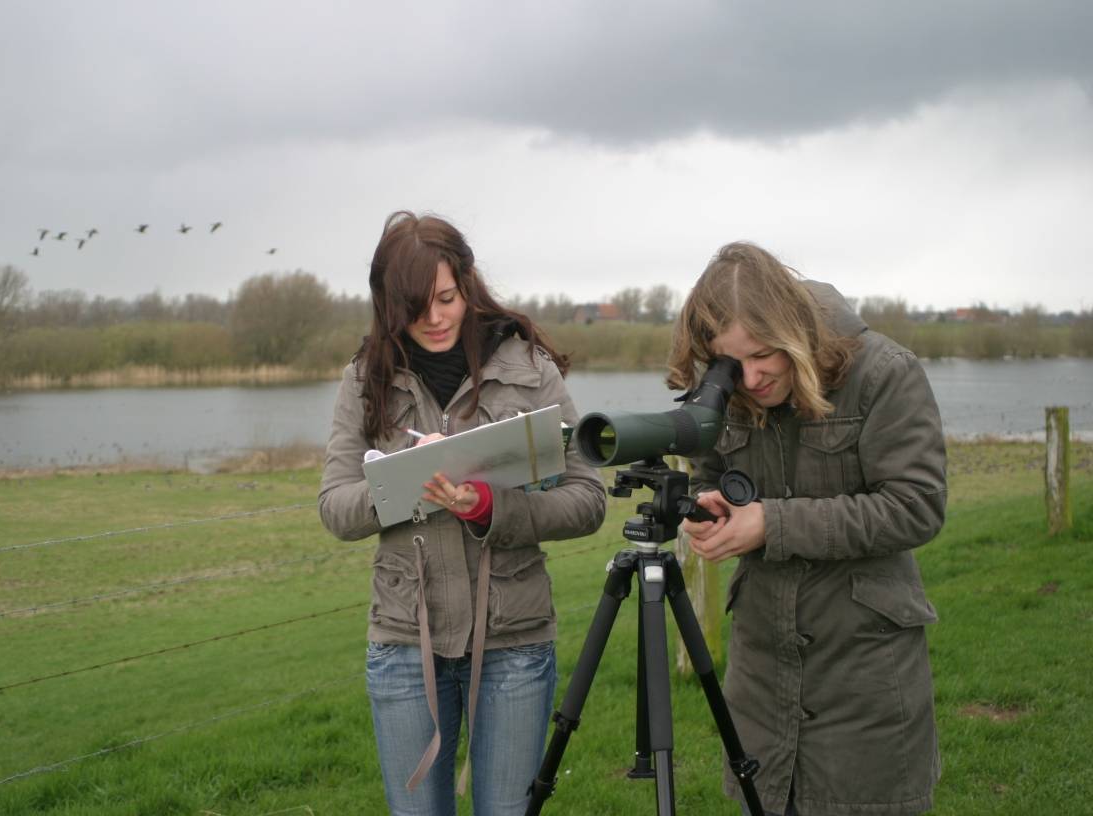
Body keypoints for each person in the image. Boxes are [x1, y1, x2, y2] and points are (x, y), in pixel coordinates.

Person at [318, 211, 606, 816]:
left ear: (467, 282)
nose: (436, 317)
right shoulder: (363, 380)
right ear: (388, 305)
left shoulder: (530, 369)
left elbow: (587, 499)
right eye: (416, 307)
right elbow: (336, 508)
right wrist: (403, 485)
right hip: (402, 642)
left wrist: (488, 508)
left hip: (513, 640)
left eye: (446, 298)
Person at [670, 242, 946, 816]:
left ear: (793, 327)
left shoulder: (884, 372)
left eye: (764, 355)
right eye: (729, 362)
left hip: (865, 674)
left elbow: (917, 505)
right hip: (761, 675)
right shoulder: (730, 388)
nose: (750, 377)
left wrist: (772, 523)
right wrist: (711, 506)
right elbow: (711, 471)